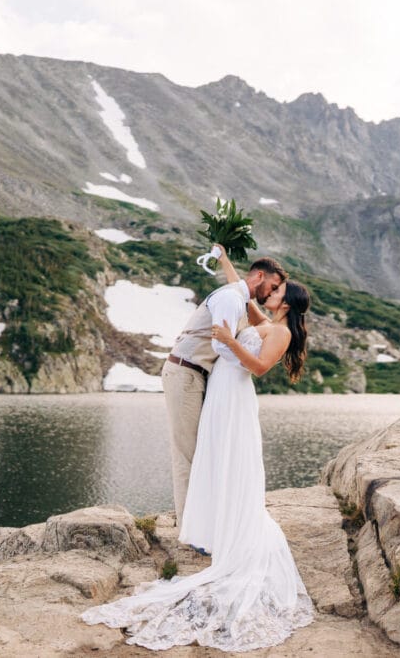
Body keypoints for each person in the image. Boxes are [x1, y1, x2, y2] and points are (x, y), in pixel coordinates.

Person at [82, 249, 315, 652]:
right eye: (270, 287)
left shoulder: (282, 332)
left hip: (234, 389)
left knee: (227, 458)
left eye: (276, 292)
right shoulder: (264, 319)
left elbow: (258, 368)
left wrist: (227, 340)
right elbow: (240, 292)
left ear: (287, 301)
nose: (269, 295)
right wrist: (227, 260)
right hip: (221, 388)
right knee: (214, 458)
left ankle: (216, 529)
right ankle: (212, 524)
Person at [159, 250, 287, 527]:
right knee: (188, 453)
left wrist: (225, 260)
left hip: (201, 376)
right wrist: (238, 369)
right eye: (274, 286)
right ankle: (188, 527)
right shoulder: (230, 298)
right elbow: (219, 344)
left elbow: (236, 333)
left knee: (205, 451)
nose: (273, 293)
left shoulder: (240, 299)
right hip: (185, 372)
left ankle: (203, 522)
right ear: (260, 276)